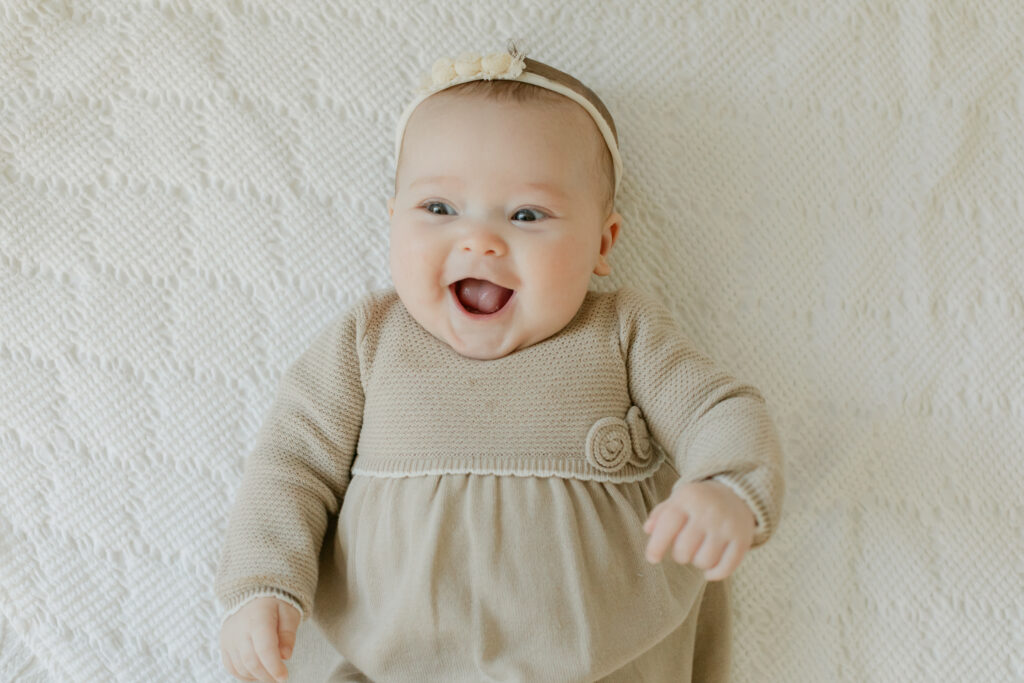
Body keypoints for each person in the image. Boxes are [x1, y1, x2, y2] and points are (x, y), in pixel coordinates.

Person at [214, 40, 785, 683]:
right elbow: (293, 463)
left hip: (605, 662)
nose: (479, 239)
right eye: (438, 208)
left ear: (602, 242)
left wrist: (727, 486)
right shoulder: (370, 340)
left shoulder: (623, 331)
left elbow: (717, 408)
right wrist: (263, 584)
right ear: (393, 221)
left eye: (526, 214)